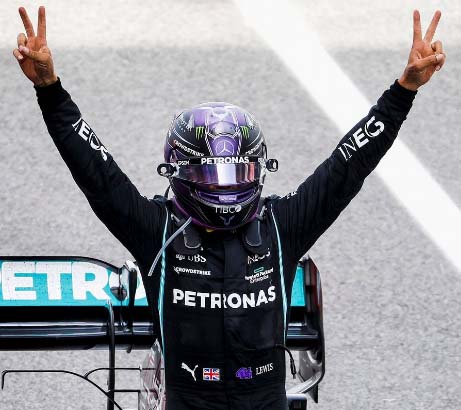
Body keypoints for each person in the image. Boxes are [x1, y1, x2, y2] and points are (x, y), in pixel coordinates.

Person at [13, 6, 445, 410]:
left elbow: (348, 166)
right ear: (178, 172)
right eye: (209, 173)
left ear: (259, 169)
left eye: (239, 171)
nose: (224, 187)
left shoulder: (281, 228)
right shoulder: (156, 231)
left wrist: (403, 91)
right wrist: (49, 90)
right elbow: (96, 172)